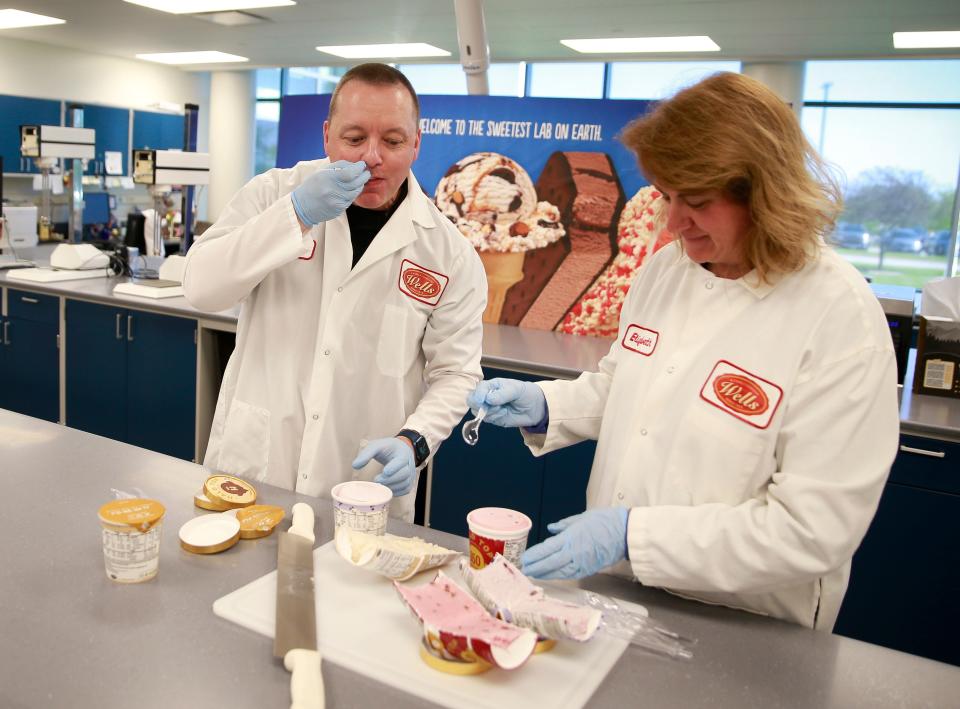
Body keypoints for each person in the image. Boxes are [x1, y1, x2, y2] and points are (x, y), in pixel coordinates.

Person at [467, 72, 899, 630]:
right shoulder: (668, 269)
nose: (672, 223)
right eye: (667, 198)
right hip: (614, 595)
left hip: (743, 624)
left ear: (764, 195)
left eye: (694, 202)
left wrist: (633, 534)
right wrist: (549, 405)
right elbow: (630, 387)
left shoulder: (838, 318)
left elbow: (811, 530)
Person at [183, 63, 486, 522]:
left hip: (362, 484)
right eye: (354, 138)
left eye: (393, 140)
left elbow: (457, 373)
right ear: (327, 136)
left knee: (351, 589)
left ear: (417, 142)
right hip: (257, 468)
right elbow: (201, 287)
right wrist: (296, 215)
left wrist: (415, 440)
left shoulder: (449, 253)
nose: (372, 157)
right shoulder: (274, 194)